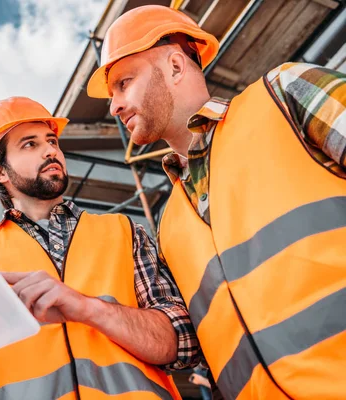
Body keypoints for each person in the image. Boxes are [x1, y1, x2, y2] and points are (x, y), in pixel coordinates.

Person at [86, 5, 346, 399]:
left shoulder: (285, 93)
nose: (114, 106)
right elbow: (195, 347)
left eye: (124, 82)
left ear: (175, 66)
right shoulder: (169, 222)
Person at [0, 96, 201, 400]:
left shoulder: (123, 232)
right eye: (30, 145)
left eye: (52, 141)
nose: (51, 150)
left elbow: (185, 341)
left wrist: (87, 308)